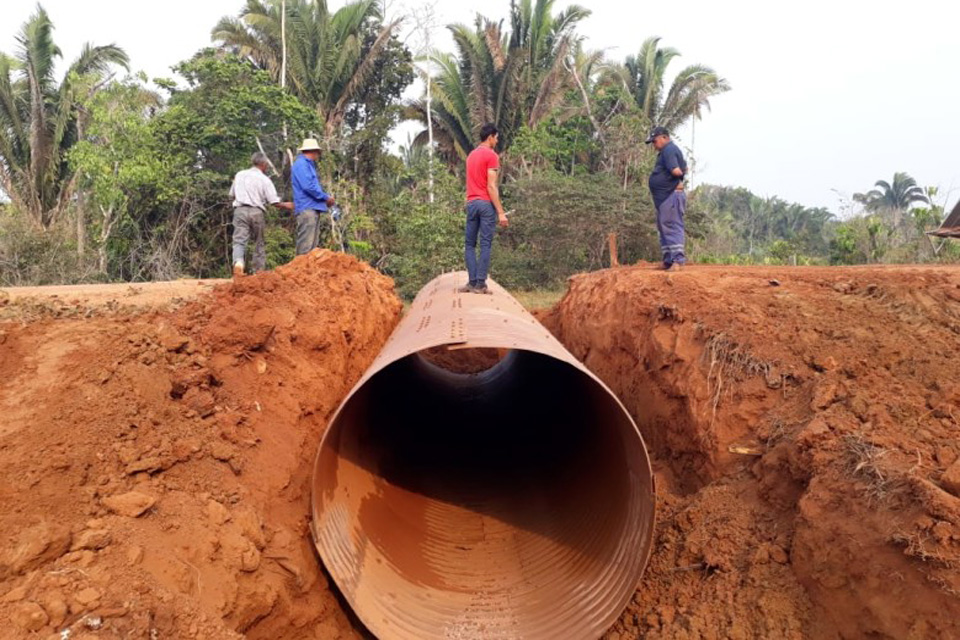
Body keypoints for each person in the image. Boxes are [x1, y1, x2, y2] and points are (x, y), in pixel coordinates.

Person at [460, 123, 509, 294]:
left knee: (469, 245)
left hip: (471, 203)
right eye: (496, 138)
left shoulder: (471, 156)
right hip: (485, 204)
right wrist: (501, 213)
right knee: (485, 244)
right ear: (490, 137)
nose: (497, 141)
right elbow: (491, 186)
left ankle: (472, 282)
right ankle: (480, 284)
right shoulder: (491, 156)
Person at [228, 152, 294, 277]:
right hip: (256, 212)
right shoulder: (264, 179)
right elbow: (274, 202)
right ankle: (258, 272)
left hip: (240, 210)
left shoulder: (240, 174)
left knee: (239, 241)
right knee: (259, 242)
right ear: (263, 164)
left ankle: (238, 263)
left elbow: (231, 195)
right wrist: (288, 205)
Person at [646, 126, 688, 271]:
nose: (654, 144)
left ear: (664, 137)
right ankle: (668, 260)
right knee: (664, 227)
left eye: (655, 141)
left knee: (671, 226)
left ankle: (677, 260)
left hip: (671, 196)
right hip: (665, 198)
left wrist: (679, 179)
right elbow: (685, 168)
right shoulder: (667, 151)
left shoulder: (669, 150)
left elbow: (677, 170)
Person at [291, 138, 335, 256]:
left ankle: (307, 272)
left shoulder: (308, 165)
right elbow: (308, 187)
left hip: (312, 208)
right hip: (307, 208)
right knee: (306, 247)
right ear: (314, 151)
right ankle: (299, 272)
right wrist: (326, 197)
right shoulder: (302, 164)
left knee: (312, 248)